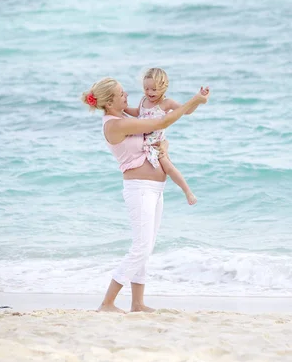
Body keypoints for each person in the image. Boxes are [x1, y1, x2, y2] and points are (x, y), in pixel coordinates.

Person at [81, 77, 210, 313]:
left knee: (146, 247)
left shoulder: (125, 119)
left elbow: (157, 138)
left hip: (154, 189)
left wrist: (166, 147)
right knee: (140, 246)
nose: (127, 96)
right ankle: (107, 303)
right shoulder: (114, 125)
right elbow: (162, 122)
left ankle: (137, 304)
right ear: (109, 102)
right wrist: (195, 99)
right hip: (139, 189)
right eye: (121, 94)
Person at [124, 68, 202, 205]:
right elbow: (137, 112)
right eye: (146, 88)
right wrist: (123, 109)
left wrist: (197, 100)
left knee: (169, 168)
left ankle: (188, 192)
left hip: (156, 145)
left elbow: (187, 110)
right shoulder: (143, 100)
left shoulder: (167, 103)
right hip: (142, 143)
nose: (149, 92)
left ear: (164, 87)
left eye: (154, 89)